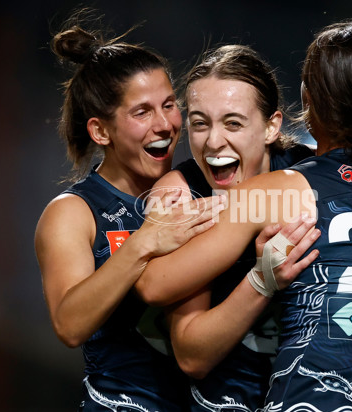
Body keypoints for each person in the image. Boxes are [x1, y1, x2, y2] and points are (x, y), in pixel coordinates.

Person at [136, 19, 352, 411]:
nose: (214, 141)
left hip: (311, 396)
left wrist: (260, 276)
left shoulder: (276, 189)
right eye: (200, 123)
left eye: (232, 122)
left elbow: (154, 286)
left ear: (306, 101)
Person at [35, 15, 316, 411]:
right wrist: (143, 243)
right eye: (142, 112)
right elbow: (69, 325)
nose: (165, 124)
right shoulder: (73, 211)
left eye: (169, 105)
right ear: (101, 132)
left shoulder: (202, 183)